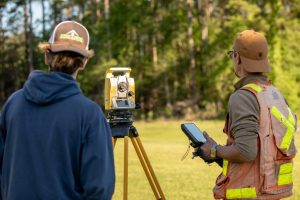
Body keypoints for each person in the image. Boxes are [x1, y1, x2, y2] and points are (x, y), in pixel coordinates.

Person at [0, 21, 115, 199]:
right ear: (84, 62)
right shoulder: (90, 114)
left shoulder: (13, 104)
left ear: (47, 56)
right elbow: (99, 188)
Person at [196, 30, 297, 199]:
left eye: (232, 55)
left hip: (251, 194)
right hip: (271, 193)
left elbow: (246, 152)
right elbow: (261, 154)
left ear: (238, 58)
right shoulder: (275, 94)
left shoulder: (243, 96)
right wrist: (221, 152)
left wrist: (214, 151)